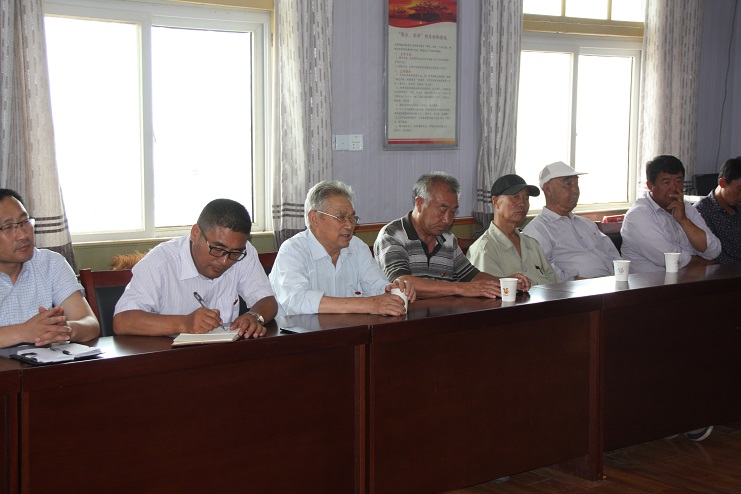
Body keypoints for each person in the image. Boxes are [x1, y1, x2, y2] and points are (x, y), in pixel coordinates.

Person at [113, 199, 277, 338]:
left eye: (234, 253)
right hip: (167, 356)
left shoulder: (244, 252)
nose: (224, 260)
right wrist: (184, 323)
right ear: (195, 233)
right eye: (217, 249)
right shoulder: (160, 262)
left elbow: (267, 301)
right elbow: (122, 321)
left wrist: (254, 316)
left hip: (222, 355)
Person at [374, 172, 530, 299]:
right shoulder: (392, 235)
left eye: (453, 212)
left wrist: (506, 282)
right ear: (420, 203)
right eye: (442, 210)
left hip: (444, 317)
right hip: (403, 319)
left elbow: (472, 276)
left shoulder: (447, 239)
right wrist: (461, 288)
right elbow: (402, 282)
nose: (447, 220)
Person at [269, 180, 414, 316]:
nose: (349, 225)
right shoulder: (292, 251)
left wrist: (393, 290)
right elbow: (297, 301)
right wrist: (367, 305)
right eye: (340, 217)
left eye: (352, 218)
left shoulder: (357, 247)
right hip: (300, 332)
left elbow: (376, 286)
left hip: (348, 330)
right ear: (314, 219)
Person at [0, 188, 100, 348]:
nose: (23, 235)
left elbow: (90, 324)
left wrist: (64, 330)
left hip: (43, 363)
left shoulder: (51, 263)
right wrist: (23, 332)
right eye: (8, 227)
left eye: (25, 221)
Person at [523, 161, 622, 281]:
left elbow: (614, 256)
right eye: (568, 184)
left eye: (576, 184)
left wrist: (621, 277)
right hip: (576, 289)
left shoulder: (586, 224)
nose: (575, 190)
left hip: (614, 284)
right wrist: (578, 282)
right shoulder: (538, 230)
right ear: (548, 190)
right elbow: (545, 271)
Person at [621, 155, 721, 272]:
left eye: (678, 181)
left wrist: (684, 220)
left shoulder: (686, 208)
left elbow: (713, 250)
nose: (674, 188)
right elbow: (671, 258)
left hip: (688, 279)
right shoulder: (637, 216)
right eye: (666, 182)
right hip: (651, 282)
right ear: (650, 186)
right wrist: (705, 264)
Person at [467, 174, 558, 285]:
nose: (522, 203)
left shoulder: (532, 244)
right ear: (495, 202)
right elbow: (491, 292)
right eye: (515, 197)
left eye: (526, 198)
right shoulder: (485, 249)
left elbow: (556, 285)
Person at [694, 157, 741, 264]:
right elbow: (709, 256)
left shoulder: (738, 207)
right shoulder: (701, 211)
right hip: (722, 271)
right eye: (740, 189)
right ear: (723, 183)